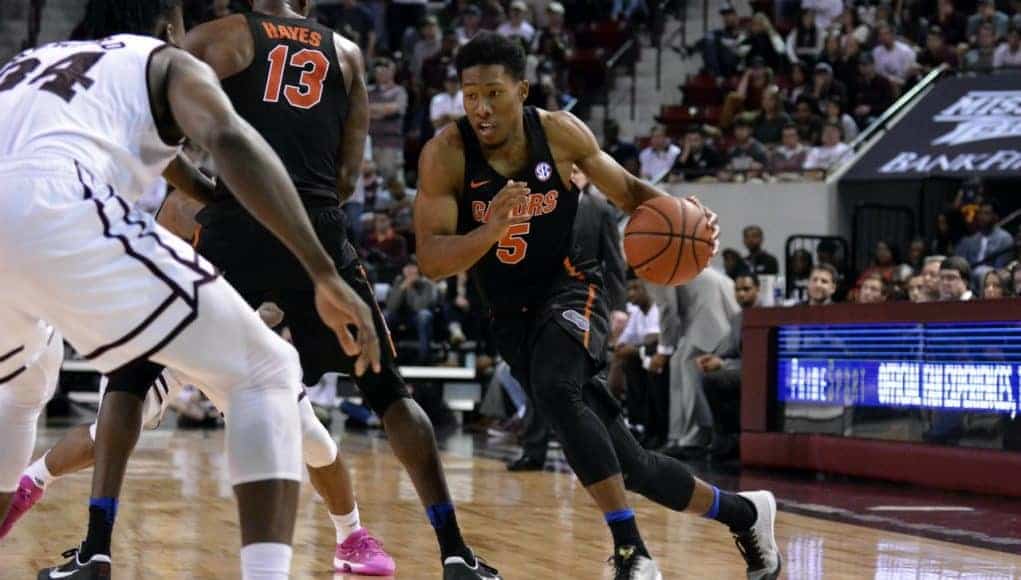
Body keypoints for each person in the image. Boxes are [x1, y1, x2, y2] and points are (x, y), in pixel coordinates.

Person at [0, 2, 384, 579]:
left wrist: (221, 204)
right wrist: (324, 271)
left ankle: (350, 531)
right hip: (66, 212)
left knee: (27, 385)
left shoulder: (28, 66)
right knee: (271, 372)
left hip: (29, 228)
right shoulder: (160, 60)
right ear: (166, 30)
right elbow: (229, 137)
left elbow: (176, 166)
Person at [414, 32, 780, 580]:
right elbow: (433, 261)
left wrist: (692, 220)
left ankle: (632, 552)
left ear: (522, 89)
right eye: (470, 95)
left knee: (557, 390)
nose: (481, 107)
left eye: (493, 92)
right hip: (510, 315)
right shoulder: (447, 153)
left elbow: (631, 192)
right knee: (631, 465)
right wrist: (492, 228)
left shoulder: (558, 132)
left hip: (572, 287)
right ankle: (746, 513)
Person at [696, 272, 759, 461]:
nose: (741, 294)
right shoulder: (738, 317)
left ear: (758, 289)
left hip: (757, 372)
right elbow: (733, 349)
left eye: (746, 289)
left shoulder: (765, 314)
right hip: (739, 368)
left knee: (714, 380)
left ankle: (726, 438)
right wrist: (713, 357)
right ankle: (722, 437)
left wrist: (723, 363)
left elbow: (757, 357)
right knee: (704, 374)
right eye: (738, 290)